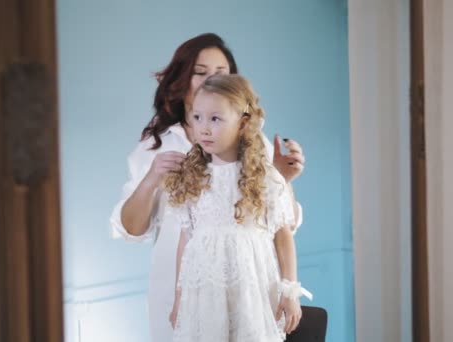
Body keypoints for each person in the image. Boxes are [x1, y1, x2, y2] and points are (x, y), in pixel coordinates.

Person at [109, 33, 306, 341]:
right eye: (200, 72)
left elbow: (282, 226)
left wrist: (285, 180)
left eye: (220, 74)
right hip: (192, 294)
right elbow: (135, 229)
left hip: (251, 289)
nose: (208, 81)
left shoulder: (255, 145)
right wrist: (151, 180)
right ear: (182, 78)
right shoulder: (157, 146)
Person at [166, 74, 312, 342]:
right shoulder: (192, 178)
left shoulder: (266, 178)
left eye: (215, 119)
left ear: (243, 123)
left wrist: (290, 292)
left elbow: (282, 235)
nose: (204, 128)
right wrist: (179, 299)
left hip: (251, 289)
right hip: (205, 291)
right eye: (197, 118)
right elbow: (186, 240)